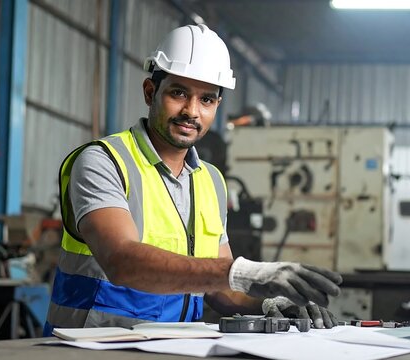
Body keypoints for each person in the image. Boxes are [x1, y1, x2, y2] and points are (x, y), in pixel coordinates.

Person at [43, 24, 342, 336]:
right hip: (92, 348)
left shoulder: (210, 180)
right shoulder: (104, 161)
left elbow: (221, 290)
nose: (192, 111)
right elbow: (121, 260)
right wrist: (246, 272)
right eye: (178, 93)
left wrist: (270, 304)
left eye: (207, 100)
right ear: (150, 92)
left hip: (176, 347)